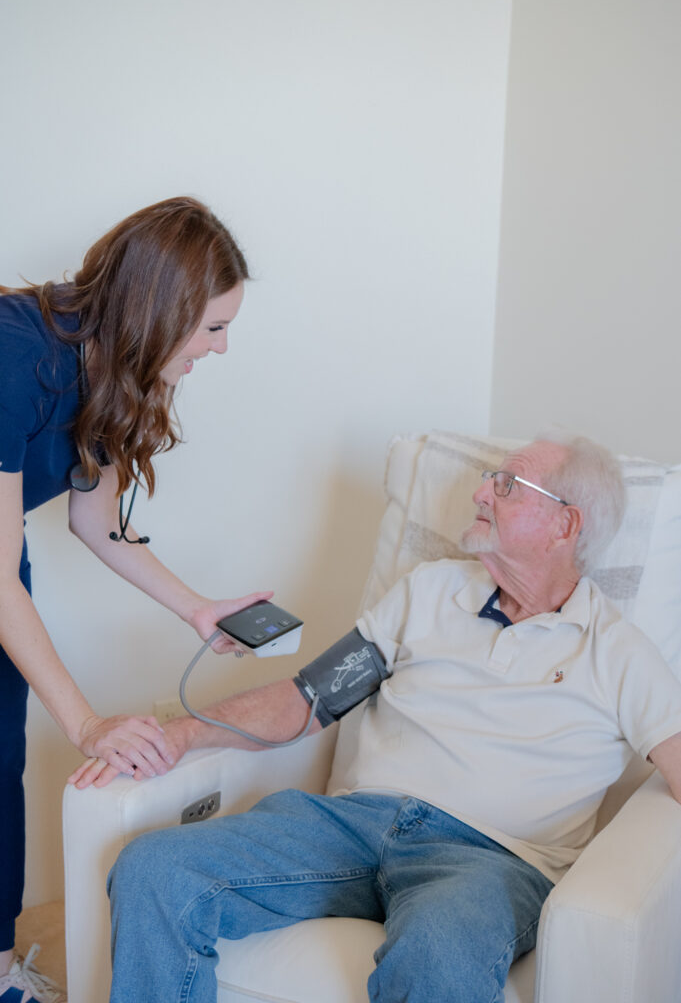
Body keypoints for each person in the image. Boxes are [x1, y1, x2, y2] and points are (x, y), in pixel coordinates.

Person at [93, 434, 681, 1003]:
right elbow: (310, 698)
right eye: (488, 479)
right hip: (348, 825)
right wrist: (181, 734)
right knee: (156, 869)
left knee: (439, 950)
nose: (481, 494)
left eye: (506, 485)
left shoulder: (620, 652)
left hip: (489, 863)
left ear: (566, 524)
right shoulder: (428, 591)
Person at [0, 197, 271, 1003]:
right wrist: (85, 724)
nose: (221, 347)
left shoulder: (116, 369)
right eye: (213, 327)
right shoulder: (14, 354)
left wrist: (196, 608)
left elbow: (94, 521)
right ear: (162, 310)